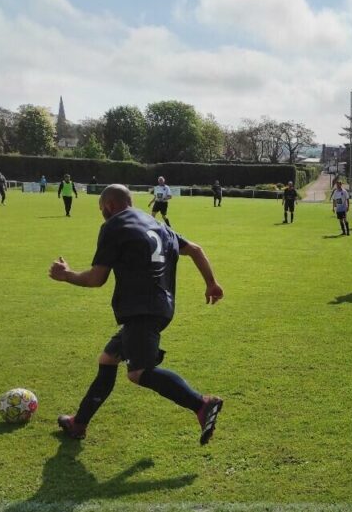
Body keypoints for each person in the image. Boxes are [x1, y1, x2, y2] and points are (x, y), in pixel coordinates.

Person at [48, 184, 225, 445]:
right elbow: (196, 250)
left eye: (101, 209)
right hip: (159, 307)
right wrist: (211, 283)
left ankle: (201, 403)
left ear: (108, 206)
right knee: (108, 359)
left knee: (138, 372)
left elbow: (97, 278)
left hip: (141, 309)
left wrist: (66, 275)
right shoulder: (156, 224)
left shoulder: (114, 225)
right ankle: (79, 423)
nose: (102, 215)